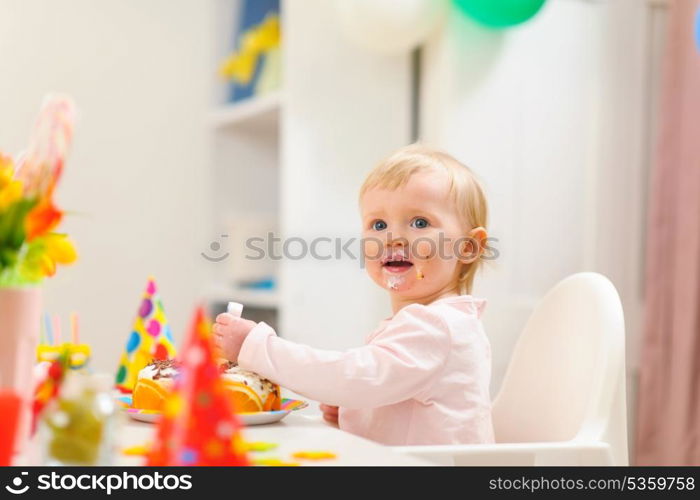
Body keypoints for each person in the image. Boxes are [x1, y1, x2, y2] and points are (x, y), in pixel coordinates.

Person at [214, 144, 495, 445]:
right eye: (378, 224)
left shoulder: (437, 327)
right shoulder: (430, 323)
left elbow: (353, 377)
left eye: (419, 223)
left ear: (468, 247)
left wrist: (256, 346)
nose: (393, 237)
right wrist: (361, 411)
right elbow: (388, 392)